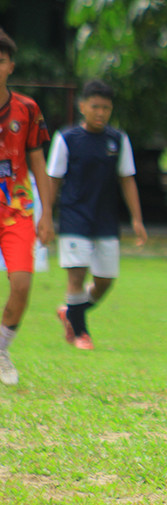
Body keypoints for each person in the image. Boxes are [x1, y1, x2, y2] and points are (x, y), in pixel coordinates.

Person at [47, 79, 147, 350]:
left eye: (105, 107)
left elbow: (127, 179)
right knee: (76, 276)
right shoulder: (66, 139)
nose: (100, 112)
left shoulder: (117, 140)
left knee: (104, 281)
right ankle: (81, 333)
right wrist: (46, 216)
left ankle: (70, 312)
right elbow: (53, 180)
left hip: (105, 218)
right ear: (82, 107)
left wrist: (137, 219)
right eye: (95, 107)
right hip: (74, 216)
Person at [0, 27, 55, 386]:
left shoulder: (27, 109)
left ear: (10, 66)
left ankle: (1, 350)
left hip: (17, 208)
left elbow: (38, 163)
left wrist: (47, 213)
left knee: (21, 284)